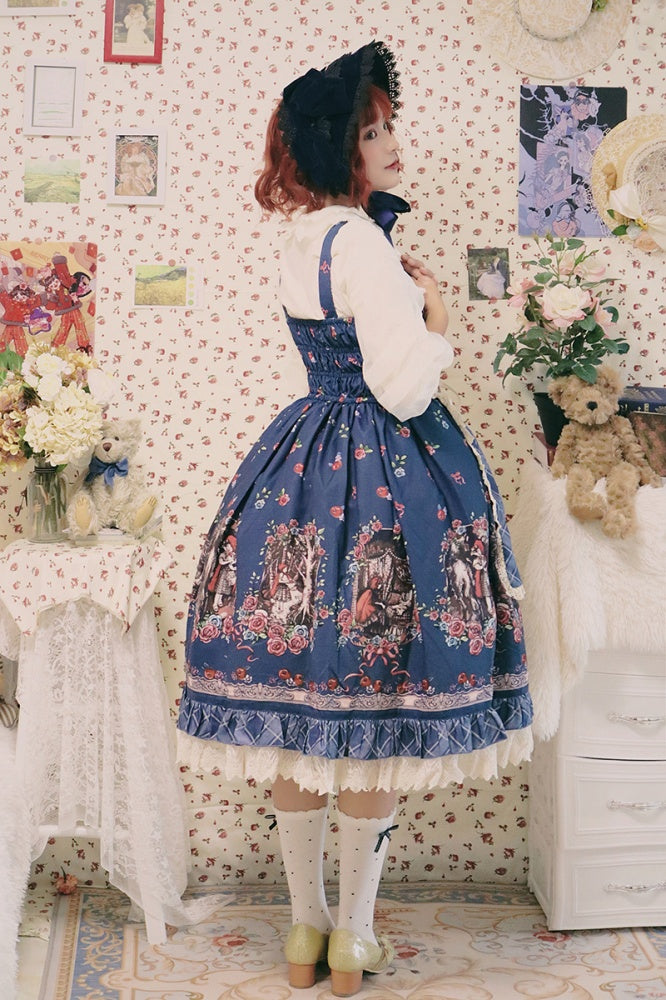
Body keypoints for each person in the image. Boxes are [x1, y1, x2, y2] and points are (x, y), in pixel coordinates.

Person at [177, 41, 532, 997]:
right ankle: (353, 939)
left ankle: (305, 928)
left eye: (388, 126)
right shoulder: (364, 244)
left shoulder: (306, 235)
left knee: (300, 707)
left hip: (300, 469)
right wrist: (438, 319)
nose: (391, 143)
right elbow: (403, 390)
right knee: (373, 705)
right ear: (341, 145)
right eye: (373, 132)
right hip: (379, 476)